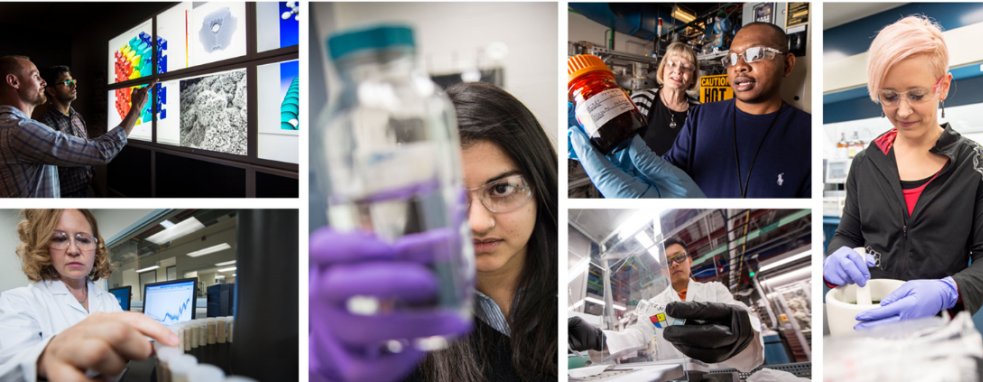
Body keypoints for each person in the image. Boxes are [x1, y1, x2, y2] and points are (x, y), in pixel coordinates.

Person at [310, 82, 557, 382]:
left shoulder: (565, 296)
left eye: (502, 189)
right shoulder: (403, 327)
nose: (478, 223)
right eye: (450, 193)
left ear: (540, 185)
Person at [822, 16, 983, 329]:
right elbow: (848, 234)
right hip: (870, 321)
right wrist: (835, 259)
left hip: (938, 328)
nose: (903, 111)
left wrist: (948, 291)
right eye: (889, 96)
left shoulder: (978, 166)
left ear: (943, 86)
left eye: (917, 95)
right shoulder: (866, 163)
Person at [569, 22, 811, 198]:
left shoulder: (807, 133)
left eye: (755, 54)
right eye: (733, 59)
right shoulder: (702, 117)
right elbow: (668, 171)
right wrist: (629, 170)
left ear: (788, 65)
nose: (740, 67)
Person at [0, 209, 180, 381]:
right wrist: (43, 359)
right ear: (45, 248)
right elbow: (8, 367)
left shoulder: (109, 300)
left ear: (95, 248)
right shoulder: (17, 302)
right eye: (59, 238)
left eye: (84, 240)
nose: (73, 250)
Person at [567, 239, 765, 372]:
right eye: (668, 262)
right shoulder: (655, 304)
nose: (674, 264)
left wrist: (740, 329)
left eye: (679, 258)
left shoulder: (714, 290)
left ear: (689, 261)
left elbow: (741, 316)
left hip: (719, 373)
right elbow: (638, 333)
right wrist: (600, 339)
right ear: (662, 271)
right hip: (676, 375)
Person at [0, 56, 154, 198]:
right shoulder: (21, 130)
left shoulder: (76, 118)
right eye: (35, 76)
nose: (43, 82)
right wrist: (136, 109)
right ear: (14, 81)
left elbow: (88, 163)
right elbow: (102, 151)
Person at [629, 42, 701, 156]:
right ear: (663, 70)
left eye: (686, 67)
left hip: (681, 174)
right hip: (639, 173)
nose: (678, 71)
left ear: (693, 77)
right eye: (672, 64)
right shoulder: (639, 101)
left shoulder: (699, 111)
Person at [34, 66, 94, 198]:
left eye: (73, 81)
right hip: (64, 196)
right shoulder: (45, 125)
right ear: (51, 90)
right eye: (66, 82)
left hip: (86, 190)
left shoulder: (78, 118)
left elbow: (89, 154)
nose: (73, 85)